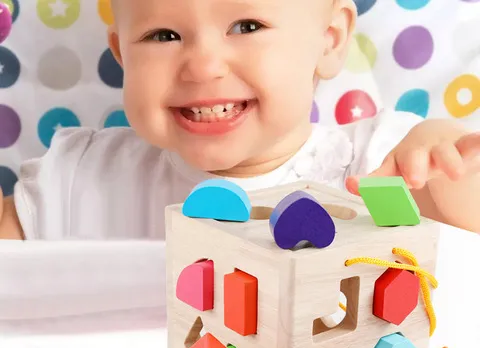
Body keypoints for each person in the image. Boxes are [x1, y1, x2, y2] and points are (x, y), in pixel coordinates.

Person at [0, 0, 478, 240]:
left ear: (330, 39)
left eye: (246, 27)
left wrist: (446, 164)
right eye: (163, 35)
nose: (203, 66)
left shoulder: (378, 166)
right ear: (122, 55)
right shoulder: (80, 177)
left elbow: (462, 213)